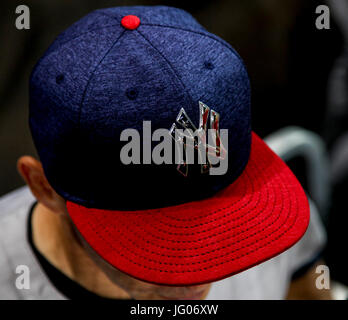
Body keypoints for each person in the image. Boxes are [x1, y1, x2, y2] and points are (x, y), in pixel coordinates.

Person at [0, 5, 330, 300]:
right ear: (44, 188)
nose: (199, 288)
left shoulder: (268, 215)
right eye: (157, 245)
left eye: (225, 224)